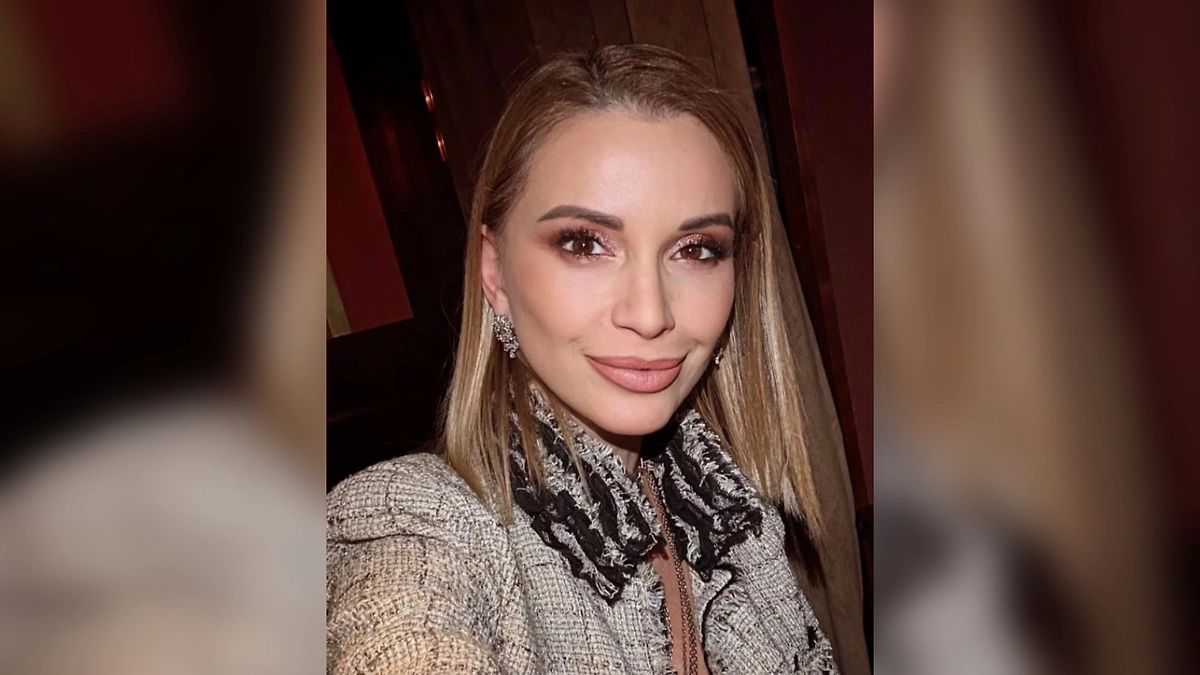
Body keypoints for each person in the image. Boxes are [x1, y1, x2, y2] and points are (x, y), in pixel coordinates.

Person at [326, 44, 838, 675]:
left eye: (696, 249)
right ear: (495, 271)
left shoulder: (726, 505)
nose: (650, 314)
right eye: (584, 244)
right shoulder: (413, 521)